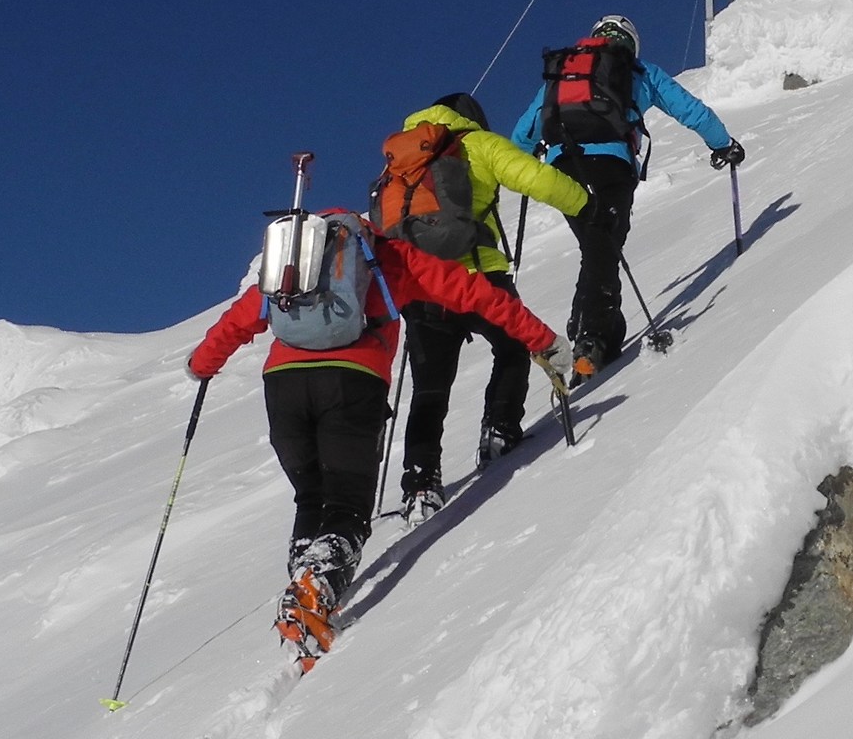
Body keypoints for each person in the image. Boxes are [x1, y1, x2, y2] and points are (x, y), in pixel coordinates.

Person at [187, 216, 571, 661]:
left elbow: (238, 320)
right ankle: (314, 592)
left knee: (312, 496)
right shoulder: (388, 257)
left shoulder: (293, 262)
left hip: (284, 385)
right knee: (348, 506)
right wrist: (541, 341)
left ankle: (307, 589)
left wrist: (201, 365)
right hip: (353, 382)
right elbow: (478, 295)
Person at [510, 14, 744, 375]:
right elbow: (687, 109)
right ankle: (594, 337)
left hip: (563, 167)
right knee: (604, 240)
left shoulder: (566, 70)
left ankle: (583, 326)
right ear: (630, 43)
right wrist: (722, 144)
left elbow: (523, 134)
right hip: (610, 163)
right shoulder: (638, 70)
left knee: (595, 242)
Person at [394, 92, 589, 518]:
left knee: (429, 389)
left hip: (422, 286)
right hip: (480, 274)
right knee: (514, 347)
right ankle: (499, 430)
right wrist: (584, 203)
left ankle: (420, 484)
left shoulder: (404, 157)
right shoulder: (478, 144)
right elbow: (535, 178)